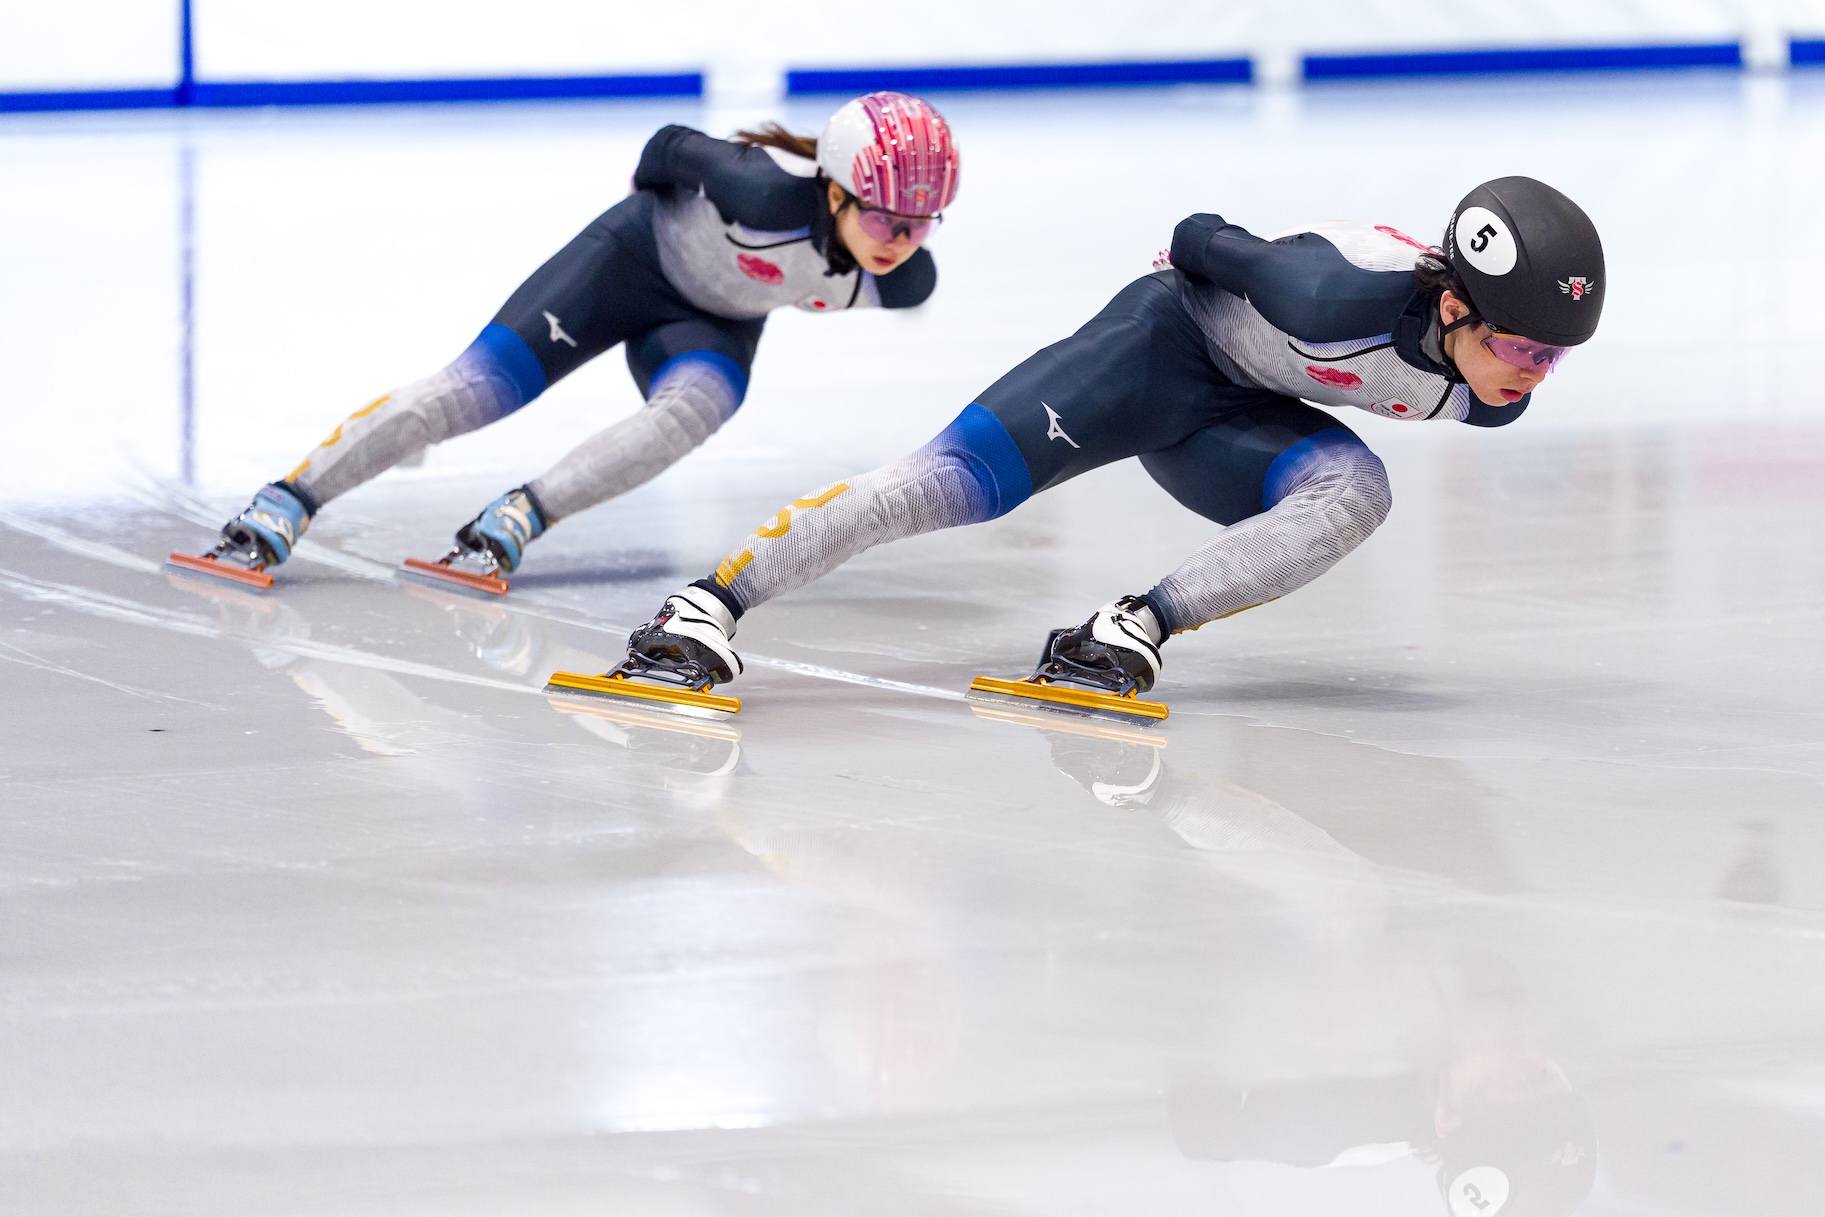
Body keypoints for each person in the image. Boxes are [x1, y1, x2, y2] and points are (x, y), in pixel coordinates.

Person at [606, 177, 1605, 705]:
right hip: (1153, 349)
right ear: (1448, 301)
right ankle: (708, 602)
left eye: (1551, 357)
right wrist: (1184, 278)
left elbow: (1469, 372)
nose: (1527, 373)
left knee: (1355, 489)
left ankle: (1126, 629)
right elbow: (1200, 231)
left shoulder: (1493, 392)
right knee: (951, 484)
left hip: (1233, 419)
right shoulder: (1328, 296)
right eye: (1518, 344)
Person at [186, 92, 961, 587]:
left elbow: (879, 265)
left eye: (920, 223)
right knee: (479, 388)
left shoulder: (901, 278)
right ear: (832, 188)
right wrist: (640, 204)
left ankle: (515, 519)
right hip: (621, 265)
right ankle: (284, 501)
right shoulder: (754, 189)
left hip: (709, 325)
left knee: (692, 415)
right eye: (888, 218)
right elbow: (666, 144)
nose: (901, 241)